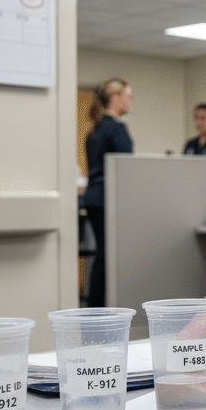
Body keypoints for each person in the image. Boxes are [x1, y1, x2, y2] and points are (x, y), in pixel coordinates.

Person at [82, 78, 133, 308]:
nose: (130, 101)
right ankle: (99, 309)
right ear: (116, 97)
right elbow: (125, 167)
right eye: (128, 96)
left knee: (101, 255)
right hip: (107, 199)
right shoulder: (116, 128)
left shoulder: (96, 129)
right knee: (106, 256)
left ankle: (94, 307)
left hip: (93, 198)